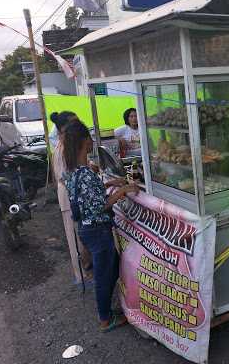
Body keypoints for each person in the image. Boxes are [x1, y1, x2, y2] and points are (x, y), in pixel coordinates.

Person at [63, 120, 138, 332]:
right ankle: (105, 319)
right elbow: (99, 207)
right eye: (89, 138)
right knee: (104, 275)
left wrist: (108, 184)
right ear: (83, 142)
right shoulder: (85, 173)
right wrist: (123, 191)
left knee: (111, 268)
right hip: (97, 230)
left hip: (88, 230)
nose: (91, 141)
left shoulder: (74, 170)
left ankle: (106, 310)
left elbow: (86, 196)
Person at [51, 111, 92, 284]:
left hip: (73, 194)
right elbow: (64, 176)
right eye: (74, 123)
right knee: (75, 239)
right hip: (68, 197)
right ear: (63, 129)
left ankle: (88, 269)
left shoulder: (69, 146)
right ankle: (81, 276)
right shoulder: (61, 149)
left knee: (81, 237)